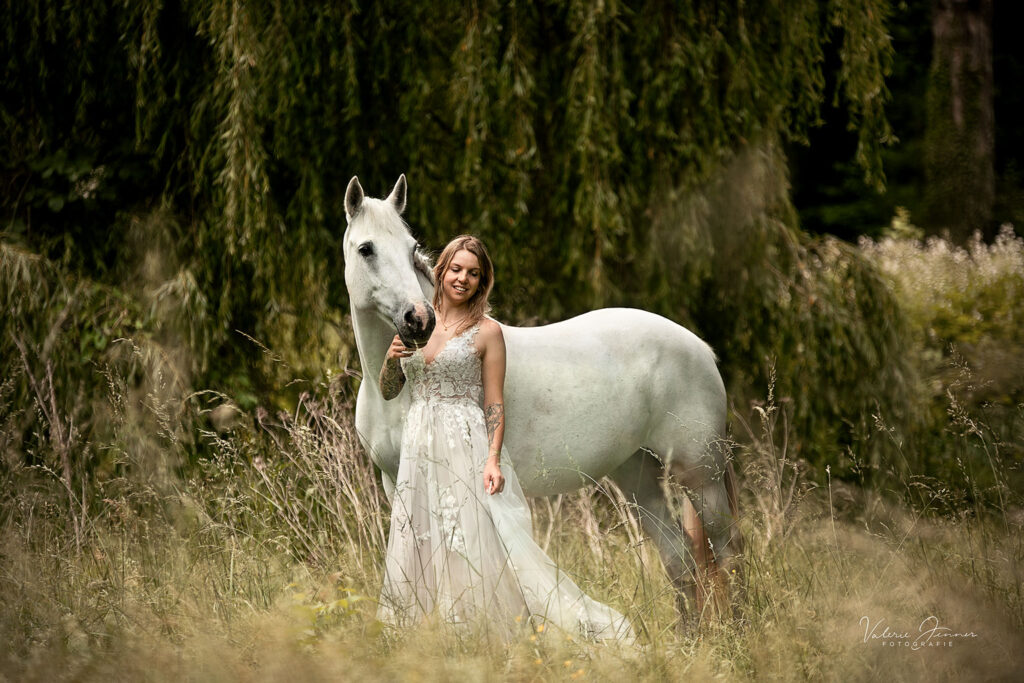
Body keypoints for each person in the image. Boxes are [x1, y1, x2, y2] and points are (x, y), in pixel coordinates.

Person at [376, 234, 635, 643]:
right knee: (420, 535)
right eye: (457, 269)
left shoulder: (487, 333)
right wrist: (392, 359)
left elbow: (494, 402)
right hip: (419, 444)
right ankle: (423, 635)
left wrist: (493, 459)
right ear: (441, 271)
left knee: (468, 536)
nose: (463, 279)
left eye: (473, 274)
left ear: (483, 282)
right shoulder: (417, 323)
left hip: (464, 441)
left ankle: (475, 630)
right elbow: (390, 390)